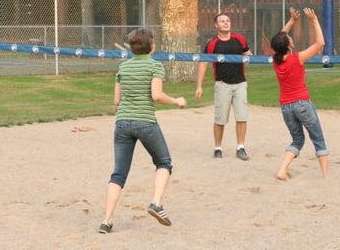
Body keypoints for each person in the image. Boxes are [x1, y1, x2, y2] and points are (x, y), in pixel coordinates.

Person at [99, 28, 187, 234]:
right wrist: (176, 101)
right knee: (164, 162)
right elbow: (156, 95)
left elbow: (116, 101)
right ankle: (156, 203)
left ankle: (106, 220)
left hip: (122, 123)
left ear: (131, 47)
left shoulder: (123, 67)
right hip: (145, 121)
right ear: (152, 45)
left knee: (119, 174)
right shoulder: (155, 66)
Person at [270, 7, 329, 180]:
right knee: (318, 138)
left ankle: (282, 170)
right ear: (289, 45)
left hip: (286, 106)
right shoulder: (297, 58)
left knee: (297, 140)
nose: (291, 37)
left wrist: (292, 21)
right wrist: (315, 21)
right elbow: (321, 44)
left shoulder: (276, 59)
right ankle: (326, 176)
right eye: (289, 38)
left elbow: (279, 37)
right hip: (302, 103)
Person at [195, 13, 252, 160]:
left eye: (227, 20)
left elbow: (248, 53)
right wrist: (199, 86)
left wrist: (247, 58)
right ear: (216, 25)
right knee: (220, 120)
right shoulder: (212, 44)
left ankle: (240, 148)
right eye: (222, 21)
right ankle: (218, 148)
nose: (226, 23)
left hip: (240, 83)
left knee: (241, 117)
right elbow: (203, 63)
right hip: (222, 85)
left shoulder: (239, 39)